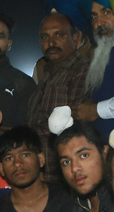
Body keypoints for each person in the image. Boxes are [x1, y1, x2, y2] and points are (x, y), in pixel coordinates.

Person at [26, 13, 90, 182]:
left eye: (59, 35)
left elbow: (74, 124)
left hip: (66, 174)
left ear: (75, 38)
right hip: (42, 173)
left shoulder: (83, 71)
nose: (51, 42)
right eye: (45, 37)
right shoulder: (47, 72)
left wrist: (24, 136)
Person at [78, 0, 114, 140]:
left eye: (106, 12)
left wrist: (96, 110)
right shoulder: (102, 53)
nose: (99, 23)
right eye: (94, 16)